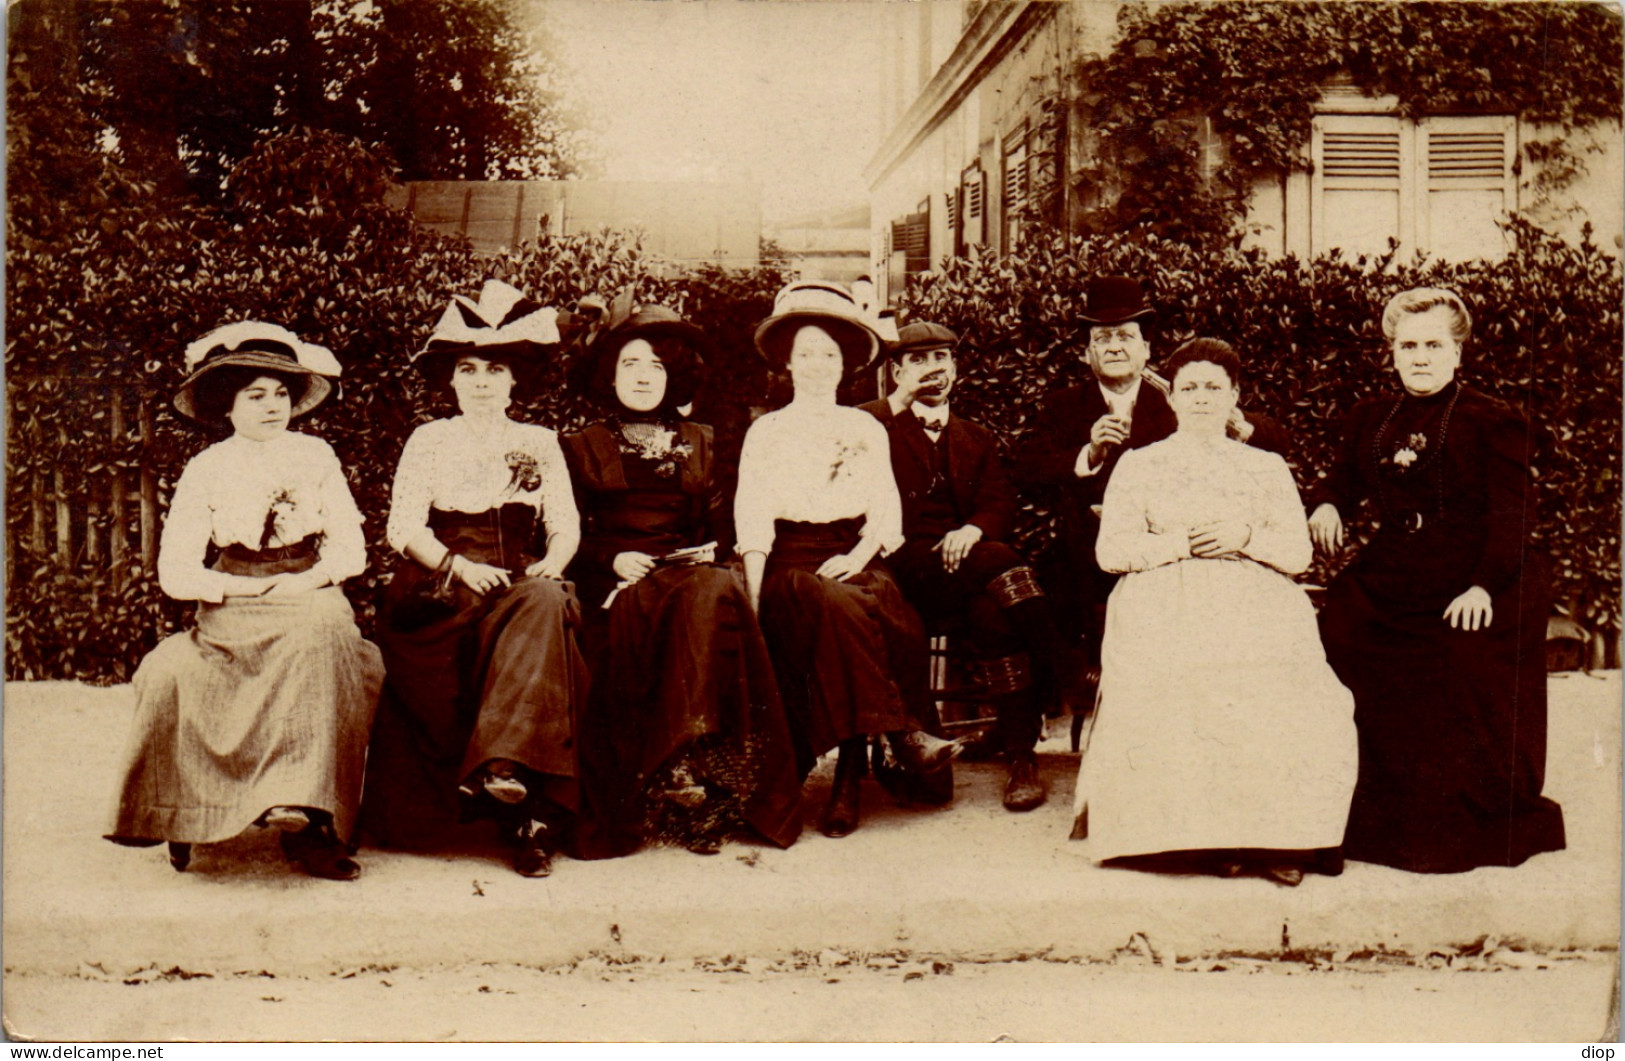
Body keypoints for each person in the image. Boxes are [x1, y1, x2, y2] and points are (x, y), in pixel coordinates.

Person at [1072, 338, 1358, 885]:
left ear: (1235, 398)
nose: (1201, 398)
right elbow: (1111, 553)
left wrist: (1244, 535)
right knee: (1188, 678)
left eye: (1214, 388)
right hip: (1164, 596)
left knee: (1293, 688)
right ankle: (1201, 840)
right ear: (1172, 400)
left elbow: (1297, 553)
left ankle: (1277, 837)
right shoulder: (1139, 464)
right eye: (1189, 388)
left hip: (1254, 596)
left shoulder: (1266, 466)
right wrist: (1180, 542)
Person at [106, 322, 382, 880]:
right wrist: (240, 587)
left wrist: (307, 581)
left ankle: (306, 812)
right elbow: (176, 570)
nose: (271, 406)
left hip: (308, 591)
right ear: (226, 406)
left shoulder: (316, 455)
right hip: (234, 602)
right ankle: (194, 814)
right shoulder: (207, 468)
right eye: (255, 395)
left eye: (281, 394)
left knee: (323, 633)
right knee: (171, 671)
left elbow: (350, 549)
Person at [1309, 288, 1565, 873]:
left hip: (1484, 570)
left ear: (1457, 353)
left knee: (1458, 652)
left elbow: (1512, 516)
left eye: (1433, 345)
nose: (1419, 357)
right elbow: (1338, 483)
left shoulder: (1492, 419)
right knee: (1342, 630)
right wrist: (1327, 506)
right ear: (1391, 353)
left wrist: (1480, 587)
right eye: (1407, 346)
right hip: (1398, 563)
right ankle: (1362, 804)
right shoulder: (1370, 419)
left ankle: (1456, 811)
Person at [360, 280, 586, 878]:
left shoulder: (538, 442)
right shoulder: (429, 440)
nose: (482, 381)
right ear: (452, 380)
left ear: (515, 381)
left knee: (542, 600)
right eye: (468, 369)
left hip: (516, 578)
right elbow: (401, 527)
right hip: (441, 582)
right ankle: (504, 790)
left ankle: (508, 777)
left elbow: (565, 525)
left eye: (495, 369)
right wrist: (459, 565)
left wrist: (550, 564)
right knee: (529, 612)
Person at [561, 302, 800, 857]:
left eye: (657, 366)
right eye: (631, 364)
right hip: (619, 583)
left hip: (686, 572)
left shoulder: (701, 439)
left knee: (715, 588)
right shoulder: (579, 445)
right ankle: (675, 770)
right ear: (609, 374)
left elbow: (721, 521)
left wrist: (709, 546)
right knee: (701, 599)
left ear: (675, 376)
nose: (644, 376)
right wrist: (610, 558)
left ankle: (689, 766)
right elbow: (564, 534)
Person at [737, 281, 961, 838]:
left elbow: (886, 512)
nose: (817, 364)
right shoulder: (766, 430)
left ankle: (851, 778)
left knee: (866, 598)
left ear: (844, 366)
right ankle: (899, 735)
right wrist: (756, 597)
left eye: (829, 354)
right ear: (788, 363)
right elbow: (753, 517)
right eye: (806, 353)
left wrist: (857, 555)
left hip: (853, 553)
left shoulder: (864, 425)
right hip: (790, 559)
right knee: (831, 598)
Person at [1015, 277, 1286, 700]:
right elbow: (1027, 470)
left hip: (1166, 550)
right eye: (1103, 339)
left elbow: (1273, 441)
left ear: (1146, 350)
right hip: (1084, 551)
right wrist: (1090, 452)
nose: (1115, 347)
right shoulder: (1062, 404)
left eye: (1126, 336)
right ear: (1088, 354)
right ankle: (1057, 701)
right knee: (1034, 596)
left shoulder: (1178, 397)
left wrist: (1236, 421)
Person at [860, 321, 1065, 812]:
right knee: (1001, 559)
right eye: (920, 361)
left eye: (943, 360)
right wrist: (901, 402)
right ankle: (1064, 667)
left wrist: (972, 529)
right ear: (896, 371)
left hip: (966, 569)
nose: (935, 370)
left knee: (994, 616)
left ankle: (1020, 758)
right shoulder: (871, 425)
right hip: (901, 569)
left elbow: (998, 503)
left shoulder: (976, 437)